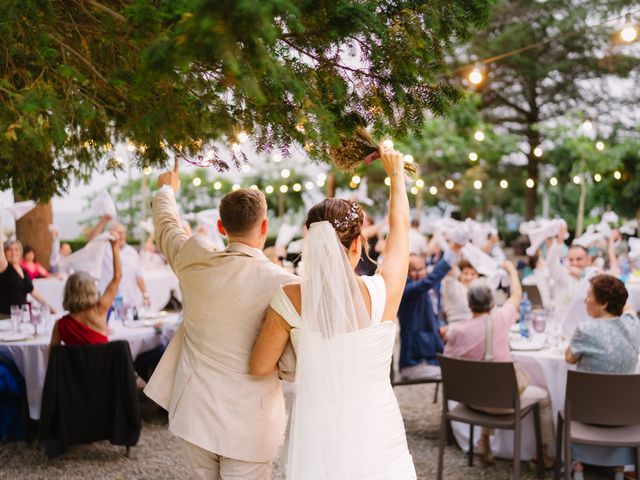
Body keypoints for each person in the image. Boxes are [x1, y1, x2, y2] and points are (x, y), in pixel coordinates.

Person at [250, 148, 416, 478]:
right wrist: (396, 175)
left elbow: (259, 367)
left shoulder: (289, 299)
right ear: (358, 245)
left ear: (311, 243)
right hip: (377, 429)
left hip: (318, 432)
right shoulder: (384, 291)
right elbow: (401, 229)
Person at [143, 159, 296, 480]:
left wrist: (166, 190)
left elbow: (166, 225)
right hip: (250, 424)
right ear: (265, 226)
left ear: (221, 227)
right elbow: (291, 363)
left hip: (196, 414)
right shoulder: (283, 283)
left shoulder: (193, 260)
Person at [441, 261, 554, 467]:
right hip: (504, 404)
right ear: (493, 303)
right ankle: (544, 453)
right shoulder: (502, 318)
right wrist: (511, 269)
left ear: (468, 305)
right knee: (544, 396)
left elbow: (449, 363)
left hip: (470, 400)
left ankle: (484, 441)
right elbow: (516, 296)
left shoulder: (457, 331)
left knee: (486, 382)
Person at [565, 274, 640, 480]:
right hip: (624, 417)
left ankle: (577, 463)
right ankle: (618, 466)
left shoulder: (585, 329)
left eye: (589, 295)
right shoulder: (635, 325)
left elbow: (569, 358)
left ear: (604, 303)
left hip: (588, 414)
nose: (584, 300)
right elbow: (629, 309)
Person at [397, 244, 461, 381]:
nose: (419, 273)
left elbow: (434, 314)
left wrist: (441, 326)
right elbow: (428, 281)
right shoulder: (406, 290)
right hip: (415, 363)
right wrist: (452, 252)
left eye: (421, 269)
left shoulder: (426, 290)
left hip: (430, 357)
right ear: (405, 273)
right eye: (412, 271)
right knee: (457, 373)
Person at [49, 237, 121, 347]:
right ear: (91, 290)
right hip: (102, 364)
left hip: (75, 365)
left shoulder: (60, 325)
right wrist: (114, 247)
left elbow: (53, 358)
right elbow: (117, 277)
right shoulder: (100, 310)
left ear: (68, 292)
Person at [89, 218, 150, 309]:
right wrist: (103, 220)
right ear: (111, 234)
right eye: (118, 233)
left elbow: (139, 277)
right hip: (108, 303)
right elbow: (92, 240)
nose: (121, 236)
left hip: (130, 302)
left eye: (123, 233)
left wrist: (145, 294)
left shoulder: (132, 252)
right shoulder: (103, 249)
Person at [0, 240, 55, 316]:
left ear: (20, 252)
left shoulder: (23, 270)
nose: (13, 252)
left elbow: (33, 291)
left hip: (22, 316)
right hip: (7, 317)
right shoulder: (4, 267)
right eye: (9, 250)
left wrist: (49, 306)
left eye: (16, 249)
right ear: (5, 252)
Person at [441, 259, 479, 324]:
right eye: (465, 273)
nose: (469, 277)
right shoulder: (453, 286)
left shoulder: (481, 290)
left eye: (473, 274)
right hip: (456, 326)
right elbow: (449, 276)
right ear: (460, 274)